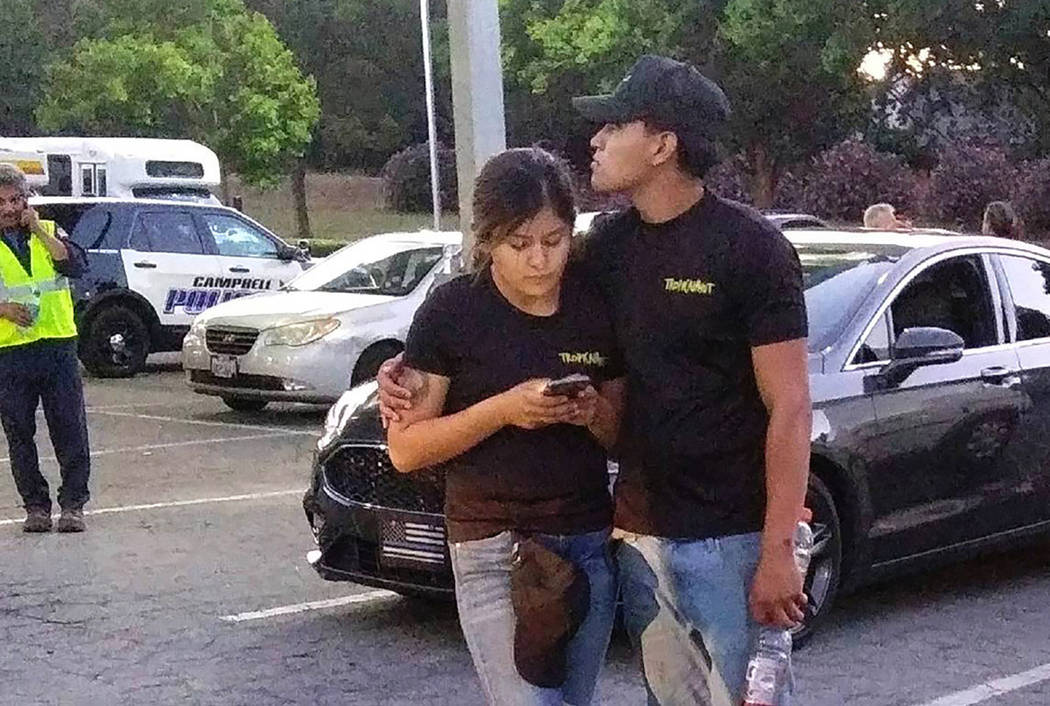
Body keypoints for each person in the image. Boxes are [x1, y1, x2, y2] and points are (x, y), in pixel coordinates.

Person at [381, 55, 812, 706]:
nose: (596, 140)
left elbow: (792, 406)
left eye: (613, 126)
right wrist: (404, 374)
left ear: (663, 145)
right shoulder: (604, 248)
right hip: (638, 537)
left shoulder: (752, 250)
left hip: (732, 538)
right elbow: (512, 305)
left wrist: (778, 546)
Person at [385, 147, 624, 706]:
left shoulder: (595, 306)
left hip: (585, 542)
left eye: (554, 240)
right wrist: (503, 409)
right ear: (487, 239)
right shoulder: (454, 312)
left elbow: (623, 434)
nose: (539, 260)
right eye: (518, 245)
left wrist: (591, 414)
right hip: (494, 547)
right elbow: (407, 449)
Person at [0, 164, 91, 533]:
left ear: (27, 200)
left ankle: (73, 505)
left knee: (69, 429)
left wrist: (36, 228)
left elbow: (76, 265)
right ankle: (35, 507)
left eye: (15, 199)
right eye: (1, 201)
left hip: (57, 347)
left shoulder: (50, 230)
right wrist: (3, 309)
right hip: (10, 352)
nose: (7, 207)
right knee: (19, 434)